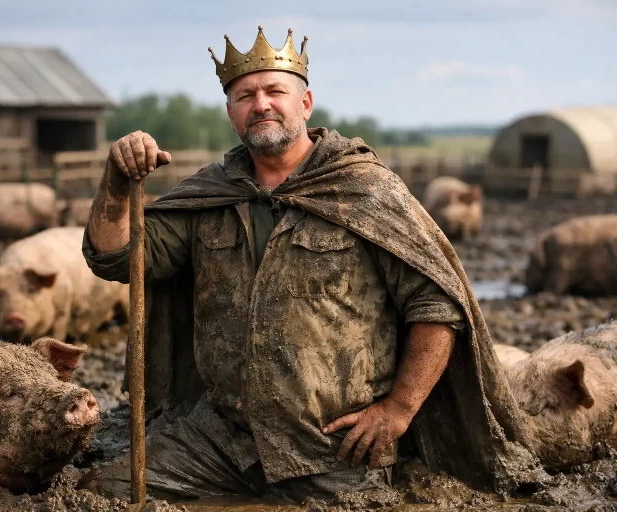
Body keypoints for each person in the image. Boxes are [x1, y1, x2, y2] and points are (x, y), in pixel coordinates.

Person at [80, 26, 539, 503]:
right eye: (245, 96)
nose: (261, 104)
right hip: (221, 441)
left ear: (305, 102)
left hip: (331, 448)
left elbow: (437, 300)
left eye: (275, 90)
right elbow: (116, 258)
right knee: (104, 491)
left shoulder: (364, 189)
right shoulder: (211, 196)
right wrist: (115, 182)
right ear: (231, 114)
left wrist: (399, 408)